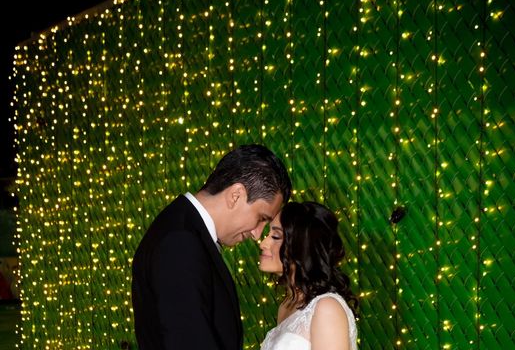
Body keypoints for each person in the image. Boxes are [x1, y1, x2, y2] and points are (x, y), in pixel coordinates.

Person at [132, 143, 292, 350]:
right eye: (261, 218)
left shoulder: (183, 228)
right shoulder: (180, 241)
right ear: (236, 195)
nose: (256, 234)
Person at [258, 201, 358, 350]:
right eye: (268, 234)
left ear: (302, 246)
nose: (263, 244)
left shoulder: (326, 307)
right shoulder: (286, 305)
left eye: (276, 236)